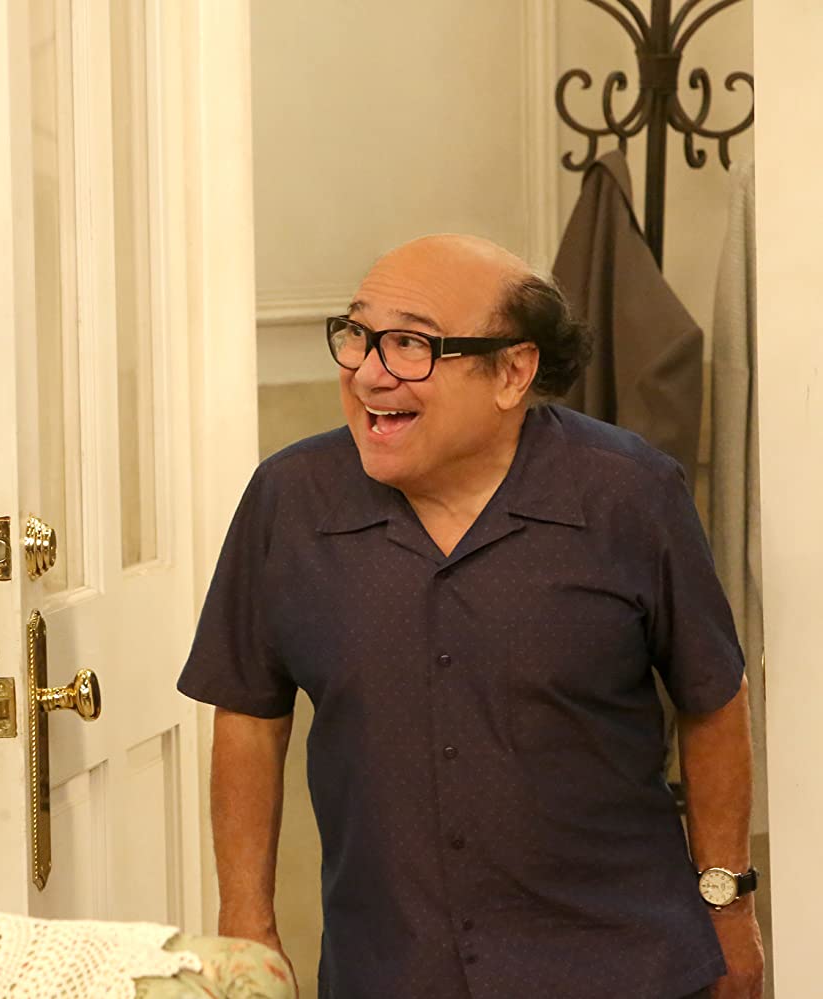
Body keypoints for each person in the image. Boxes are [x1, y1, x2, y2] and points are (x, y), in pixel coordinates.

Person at [178, 234, 764, 999]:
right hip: (392, 972)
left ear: (513, 372)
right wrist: (246, 923)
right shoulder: (289, 499)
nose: (368, 372)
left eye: (411, 344)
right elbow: (249, 715)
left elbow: (712, 698)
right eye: (356, 334)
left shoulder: (631, 493)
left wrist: (727, 903)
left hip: (622, 967)